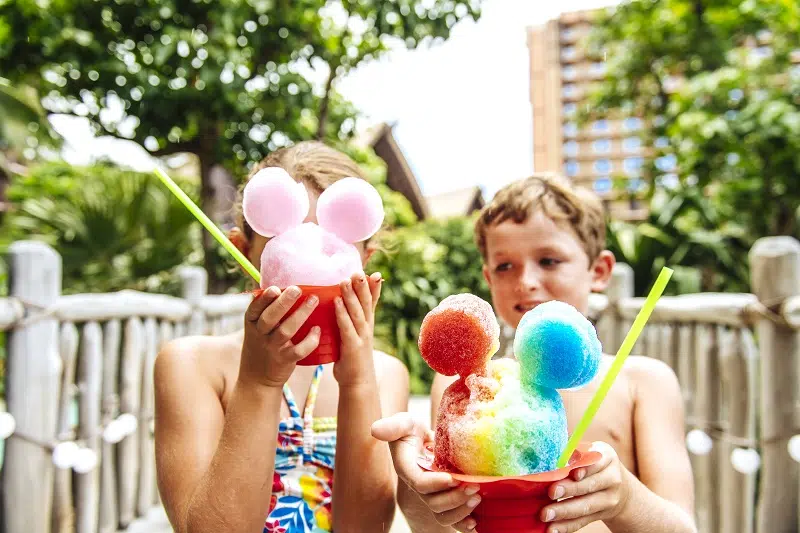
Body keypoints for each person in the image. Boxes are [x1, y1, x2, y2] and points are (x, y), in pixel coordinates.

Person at [372, 175, 697, 533]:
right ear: (488, 277)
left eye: (549, 260)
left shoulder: (642, 383)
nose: (525, 280)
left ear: (599, 270)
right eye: (505, 266)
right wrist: (416, 493)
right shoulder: (466, 391)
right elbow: (441, 529)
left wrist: (625, 500)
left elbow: (683, 527)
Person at [154, 141, 409, 533]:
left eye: (329, 246)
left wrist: (358, 381)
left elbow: (365, 527)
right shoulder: (192, 365)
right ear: (244, 251)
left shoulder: (385, 374)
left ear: (364, 262)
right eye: (287, 243)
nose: (309, 268)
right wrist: (259, 382)